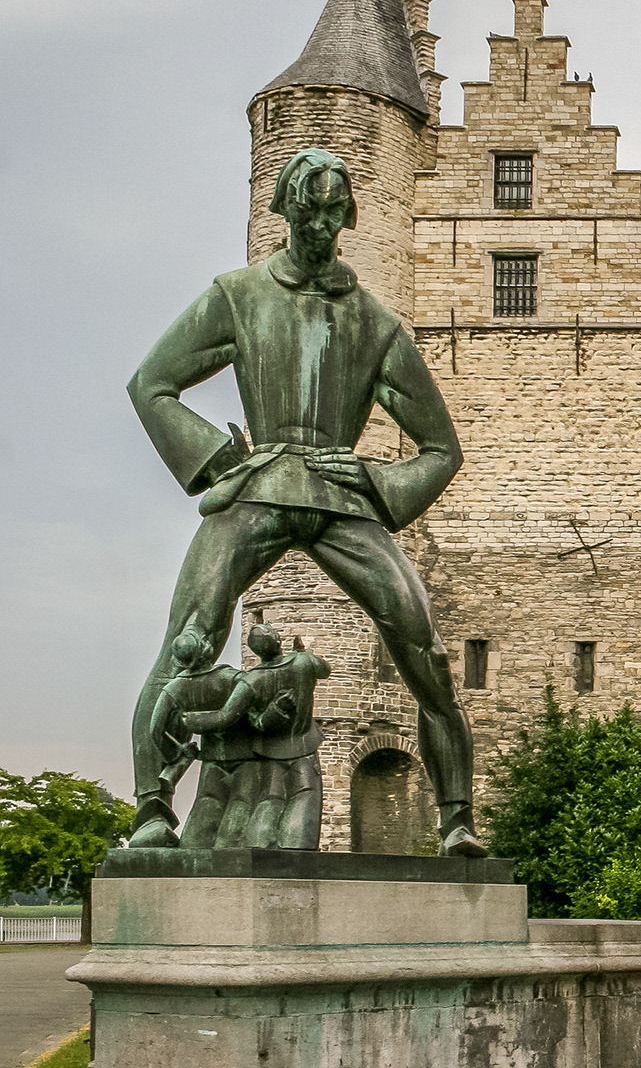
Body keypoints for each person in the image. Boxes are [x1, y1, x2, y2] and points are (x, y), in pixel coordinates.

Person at [127, 148, 484, 856]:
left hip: (342, 499)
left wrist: (376, 484)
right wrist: (219, 459)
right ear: (285, 211)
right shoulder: (237, 296)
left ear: (349, 216)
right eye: (309, 209)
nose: (321, 225)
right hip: (258, 489)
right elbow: (152, 384)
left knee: (427, 651)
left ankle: (457, 822)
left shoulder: (377, 325)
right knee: (188, 638)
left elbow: (442, 448)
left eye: (334, 211)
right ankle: (151, 810)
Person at [181, 624, 331, 850]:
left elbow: (227, 717)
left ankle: (258, 845)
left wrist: (190, 721)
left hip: (268, 752)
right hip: (304, 746)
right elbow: (325, 670)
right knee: (305, 794)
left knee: (270, 799)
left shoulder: (251, 680)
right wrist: (301, 654)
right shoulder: (303, 663)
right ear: (279, 640)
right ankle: (298, 848)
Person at [146, 624, 257, 848]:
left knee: (206, 806)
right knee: (241, 805)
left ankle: (196, 854)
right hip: (245, 756)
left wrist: (176, 752)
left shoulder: (174, 688)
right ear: (205, 649)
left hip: (211, 759)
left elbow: (155, 730)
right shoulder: (232, 677)